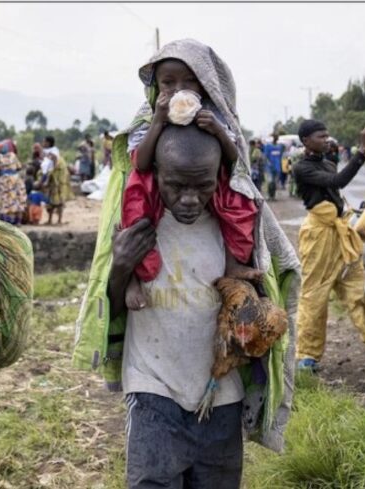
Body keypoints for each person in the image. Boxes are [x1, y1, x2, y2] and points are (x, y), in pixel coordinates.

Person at [108, 124, 286, 488]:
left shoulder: (234, 228)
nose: (189, 198)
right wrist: (121, 267)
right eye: (176, 186)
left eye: (202, 186)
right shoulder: (138, 224)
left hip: (221, 393)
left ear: (218, 177)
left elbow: (253, 306)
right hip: (152, 387)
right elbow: (112, 308)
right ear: (157, 173)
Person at [121, 39, 259, 312]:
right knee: (133, 215)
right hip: (154, 181)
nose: (178, 90)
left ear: (204, 84)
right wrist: (159, 121)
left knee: (242, 207)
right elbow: (142, 162)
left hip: (211, 180)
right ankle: (133, 278)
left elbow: (236, 160)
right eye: (168, 83)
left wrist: (218, 131)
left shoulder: (215, 112)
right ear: (156, 86)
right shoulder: (150, 113)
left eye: (189, 82)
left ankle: (233, 263)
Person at [292, 120, 365, 371]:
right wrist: (362, 151)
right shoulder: (301, 168)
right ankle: (307, 355)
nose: (326, 139)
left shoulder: (326, 161)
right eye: (320, 136)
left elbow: (335, 185)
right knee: (315, 296)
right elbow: (338, 182)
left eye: (327, 135)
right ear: (305, 141)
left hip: (342, 236)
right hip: (319, 238)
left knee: (359, 293)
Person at [0, 140, 27, 224]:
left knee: (4, 199)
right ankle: (18, 221)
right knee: (18, 198)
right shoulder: (13, 155)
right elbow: (19, 167)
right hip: (16, 179)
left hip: (4, 180)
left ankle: (5, 221)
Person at [262, 135, 284, 200]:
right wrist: (268, 163)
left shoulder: (279, 147)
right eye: (275, 138)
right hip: (269, 168)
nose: (276, 139)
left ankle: (273, 196)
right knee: (270, 182)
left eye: (276, 138)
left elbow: (280, 157)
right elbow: (265, 157)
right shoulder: (268, 146)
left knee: (275, 182)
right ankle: (269, 196)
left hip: (277, 167)